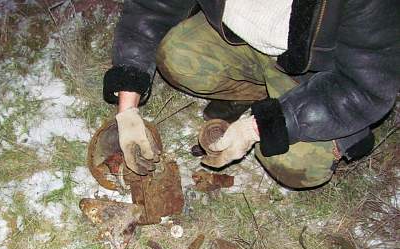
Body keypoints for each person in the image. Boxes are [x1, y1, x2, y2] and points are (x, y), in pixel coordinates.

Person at [102, 0, 400, 189]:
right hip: (241, 42)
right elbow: (154, 7)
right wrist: (127, 110)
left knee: (302, 165)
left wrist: (257, 126)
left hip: (319, 76)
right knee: (178, 56)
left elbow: (366, 86)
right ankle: (260, 92)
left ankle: (283, 101)